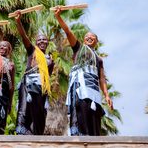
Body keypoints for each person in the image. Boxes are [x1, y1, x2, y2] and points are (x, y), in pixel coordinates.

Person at [54, 7, 113, 136]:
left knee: (94, 119)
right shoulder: (79, 49)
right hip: (80, 88)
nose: (89, 38)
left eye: (92, 37)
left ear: (96, 42)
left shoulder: (99, 59)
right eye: (87, 36)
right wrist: (58, 17)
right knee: (80, 115)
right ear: (84, 40)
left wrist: (107, 95)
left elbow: (101, 78)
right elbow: (68, 32)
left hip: (94, 92)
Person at [13, 10, 54, 135]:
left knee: (40, 113)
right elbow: (24, 36)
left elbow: (48, 77)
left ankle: (37, 135)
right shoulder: (32, 51)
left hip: (41, 87)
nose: (42, 41)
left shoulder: (50, 60)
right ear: (36, 43)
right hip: (28, 84)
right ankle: (23, 132)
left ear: (48, 43)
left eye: (44, 40)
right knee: (25, 110)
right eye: (39, 40)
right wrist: (18, 21)